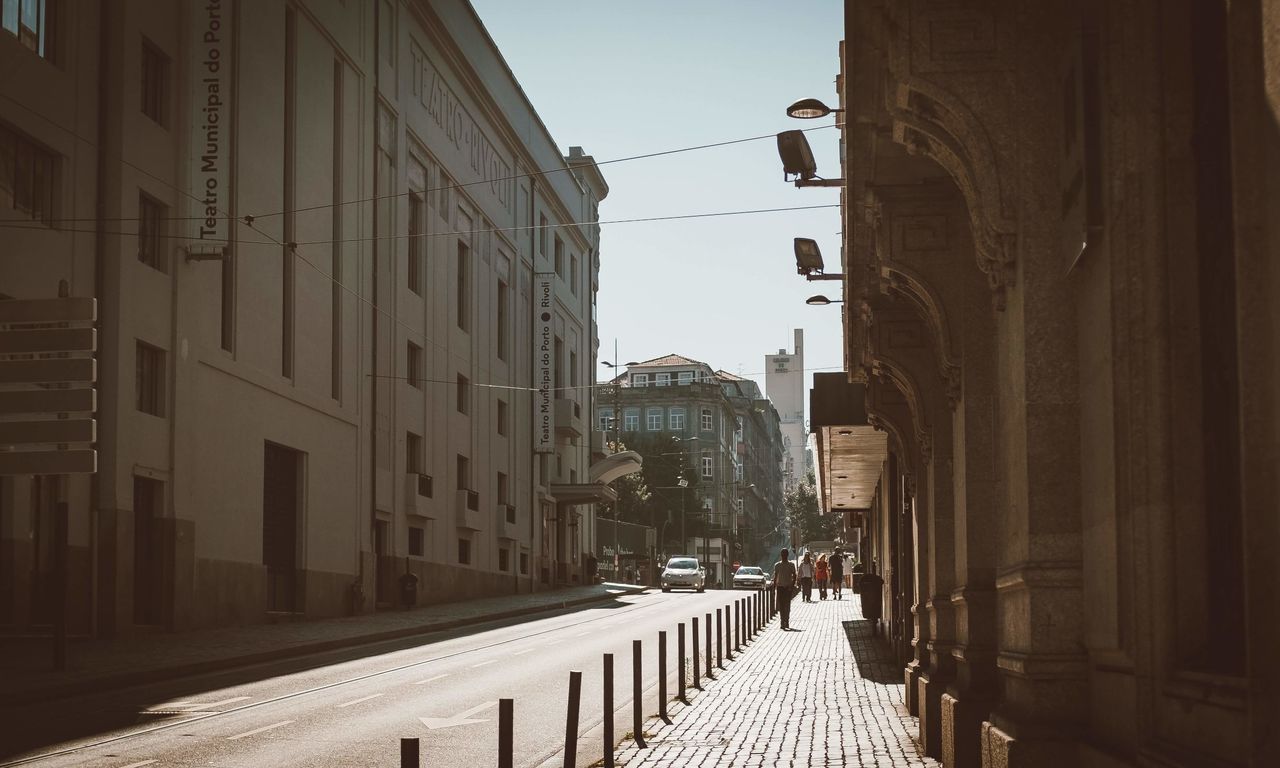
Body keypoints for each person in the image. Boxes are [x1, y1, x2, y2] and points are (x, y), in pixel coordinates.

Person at [771, 548, 798, 630]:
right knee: (782, 605)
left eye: (785, 555)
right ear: (781, 555)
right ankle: (783, 621)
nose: (784, 556)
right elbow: (775, 577)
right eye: (783, 555)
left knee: (786, 605)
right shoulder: (777, 565)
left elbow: (794, 576)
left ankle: (786, 620)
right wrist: (774, 587)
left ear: (787, 555)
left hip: (787, 588)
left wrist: (792, 585)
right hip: (780, 588)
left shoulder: (791, 565)